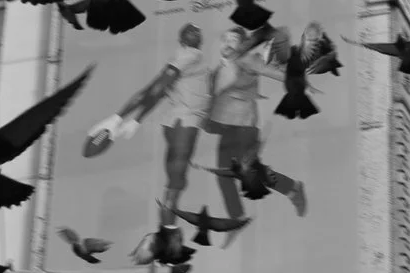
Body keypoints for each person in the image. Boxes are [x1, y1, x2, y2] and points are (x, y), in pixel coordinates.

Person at [82, 23, 216, 217]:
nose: (194, 32)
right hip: (184, 124)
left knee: (175, 180)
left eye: (197, 30)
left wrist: (134, 120)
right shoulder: (189, 57)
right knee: (176, 181)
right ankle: (168, 227)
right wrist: (118, 118)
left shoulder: (182, 61)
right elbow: (155, 90)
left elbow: (159, 91)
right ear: (184, 40)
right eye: (190, 31)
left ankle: (167, 224)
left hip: (178, 124)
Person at [203, 24, 306, 228]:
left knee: (244, 172)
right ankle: (240, 215)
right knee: (229, 175)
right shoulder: (219, 70)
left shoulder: (247, 60)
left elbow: (274, 72)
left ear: (242, 45)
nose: (227, 43)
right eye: (225, 39)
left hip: (244, 128)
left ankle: (290, 189)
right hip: (227, 129)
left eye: (233, 40)